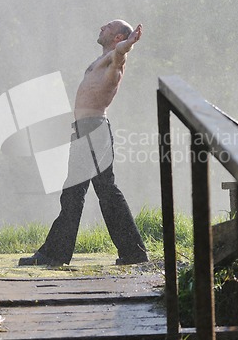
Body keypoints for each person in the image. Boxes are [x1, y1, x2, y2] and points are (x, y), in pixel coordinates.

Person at [19, 19, 148, 266]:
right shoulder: (102, 60)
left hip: (92, 129)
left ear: (118, 38)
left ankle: (54, 254)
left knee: (73, 192)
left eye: (109, 26)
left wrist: (129, 45)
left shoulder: (115, 58)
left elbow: (121, 54)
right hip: (88, 129)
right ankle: (133, 252)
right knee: (106, 191)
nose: (102, 27)